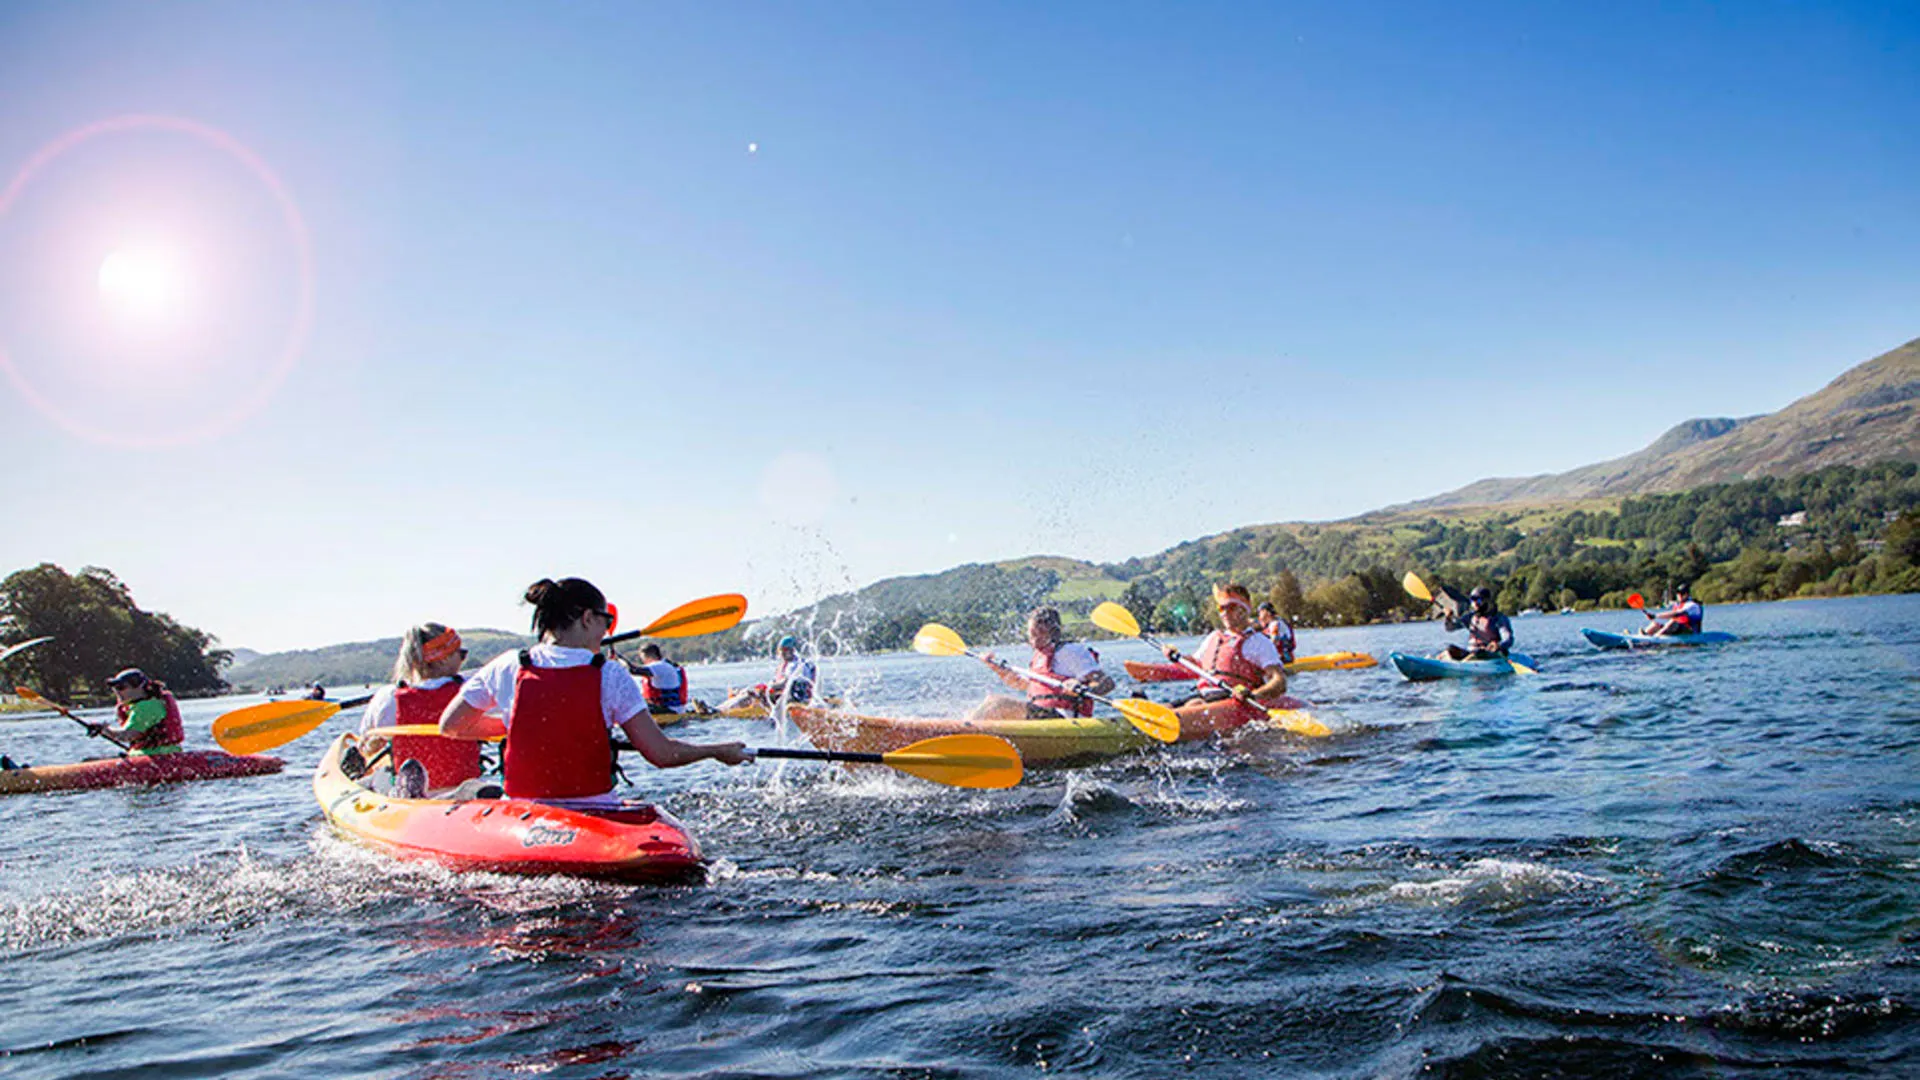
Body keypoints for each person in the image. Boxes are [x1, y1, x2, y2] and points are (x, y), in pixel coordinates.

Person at [440, 577, 746, 807]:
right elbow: (661, 754)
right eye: (606, 621)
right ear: (588, 618)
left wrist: (513, 725)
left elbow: (451, 726)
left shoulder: (506, 665)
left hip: (523, 816)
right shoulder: (611, 675)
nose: (606, 631)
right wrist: (716, 751)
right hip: (596, 811)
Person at [357, 623, 480, 794]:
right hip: (463, 791)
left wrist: (379, 741)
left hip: (413, 798)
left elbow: (366, 748)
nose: (463, 659)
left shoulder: (388, 697)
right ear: (443, 658)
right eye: (460, 653)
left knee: (379, 776)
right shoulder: (471, 691)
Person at [967, 606, 1116, 721]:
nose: (1034, 641)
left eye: (1041, 634)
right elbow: (1021, 684)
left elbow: (1107, 683)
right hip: (1043, 719)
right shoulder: (1039, 657)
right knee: (991, 705)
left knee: (996, 704)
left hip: (1066, 721)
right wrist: (997, 669)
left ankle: (962, 735)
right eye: (1032, 635)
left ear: (1054, 632)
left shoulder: (1071, 651)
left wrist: (1081, 687)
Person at [1163, 584, 1288, 705]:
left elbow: (1279, 681)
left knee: (1194, 704)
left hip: (1234, 701)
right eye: (1221, 608)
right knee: (1168, 706)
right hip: (1204, 694)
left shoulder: (1259, 642)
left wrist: (1254, 695)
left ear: (1245, 609)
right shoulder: (1214, 637)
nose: (1225, 613)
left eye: (1232, 607)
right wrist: (1176, 657)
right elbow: (1197, 664)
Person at [90, 669, 185, 755]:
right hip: (150, 754)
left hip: (160, 756)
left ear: (139, 687)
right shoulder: (145, 704)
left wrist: (106, 730)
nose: (117, 692)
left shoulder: (147, 706)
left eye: (121, 687)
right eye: (115, 688)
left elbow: (129, 735)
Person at [723, 635, 817, 711]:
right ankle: (725, 707)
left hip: (794, 699)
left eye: (784, 650)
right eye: (780, 650)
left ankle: (722, 711)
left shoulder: (796, 665)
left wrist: (764, 688)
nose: (782, 653)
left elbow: (785, 684)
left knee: (752, 693)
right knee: (749, 691)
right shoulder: (785, 664)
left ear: (792, 650)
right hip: (784, 695)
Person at [629, 643, 709, 716]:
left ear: (648, 656)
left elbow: (633, 670)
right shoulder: (663, 666)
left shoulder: (659, 666)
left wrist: (618, 657)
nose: (643, 662)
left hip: (670, 711)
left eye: (642, 658)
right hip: (669, 709)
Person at [1440, 586, 1514, 660]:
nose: (1475, 603)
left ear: (1487, 601)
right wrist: (1448, 618)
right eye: (1472, 600)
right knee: (1449, 650)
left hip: (1490, 655)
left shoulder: (1498, 618)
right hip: (1471, 653)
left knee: (1478, 653)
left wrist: (1499, 645)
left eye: (1478, 600)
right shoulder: (1470, 617)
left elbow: (1508, 639)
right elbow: (1450, 628)